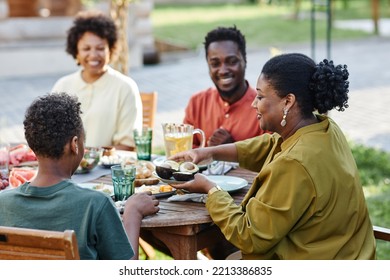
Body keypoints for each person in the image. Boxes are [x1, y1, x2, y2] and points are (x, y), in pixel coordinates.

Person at [171, 53, 376, 259]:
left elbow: (249, 236)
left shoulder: (294, 163)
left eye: (260, 97)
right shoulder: (325, 128)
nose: (254, 104)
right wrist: (208, 153)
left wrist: (210, 189)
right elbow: (269, 144)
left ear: (288, 101)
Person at [0, 93, 159, 260]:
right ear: (74, 144)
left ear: (32, 145)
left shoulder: (3, 204)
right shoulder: (95, 205)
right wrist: (132, 213)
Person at [52, 10, 142, 151]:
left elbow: (127, 145)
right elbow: (51, 137)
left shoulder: (125, 87)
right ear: (76, 51)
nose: (93, 55)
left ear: (111, 50)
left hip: (109, 169)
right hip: (66, 169)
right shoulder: (62, 85)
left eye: (100, 48)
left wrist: (91, 159)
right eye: (86, 48)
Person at [183, 26, 268, 148]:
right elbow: (185, 152)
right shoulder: (197, 103)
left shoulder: (264, 108)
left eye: (232, 61)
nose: (223, 70)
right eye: (215, 64)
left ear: (245, 61)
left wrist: (233, 150)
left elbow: (271, 162)